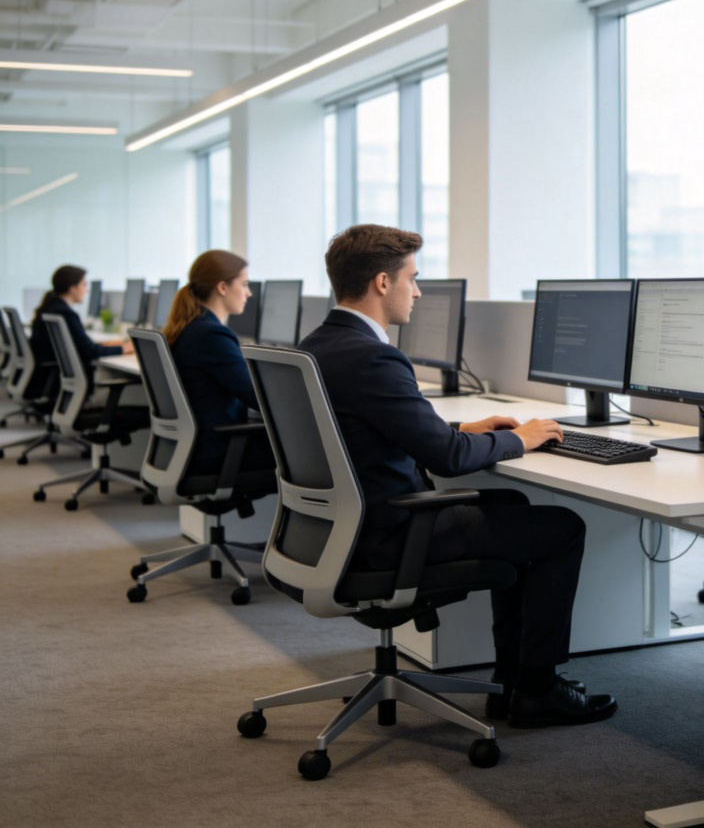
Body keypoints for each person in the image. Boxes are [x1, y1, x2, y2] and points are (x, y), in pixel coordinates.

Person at [300, 224, 617, 728]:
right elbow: (447, 459)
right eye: (413, 278)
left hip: (340, 530)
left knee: (513, 507)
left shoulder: (319, 345)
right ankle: (535, 689)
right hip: (389, 536)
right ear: (383, 283)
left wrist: (462, 427)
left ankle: (513, 683)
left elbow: (370, 426)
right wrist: (522, 437)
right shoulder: (373, 355)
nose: (418, 291)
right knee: (561, 529)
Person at [163, 250, 274, 475]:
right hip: (219, 452)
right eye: (244, 284)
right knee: (314, 452)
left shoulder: (192, 327)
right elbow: (258, 397)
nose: (249, 293)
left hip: (199, 447)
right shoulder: (211, 336)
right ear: (222, 287)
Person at [31, 265, 133, 392]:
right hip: (61, 383)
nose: (87, 290)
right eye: (84, 285)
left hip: (48, 378)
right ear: (72, 288)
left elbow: (80, 344)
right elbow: (91, 352)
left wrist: (110, 344)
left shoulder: (52, 308)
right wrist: (125, 348)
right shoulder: (65, 314)